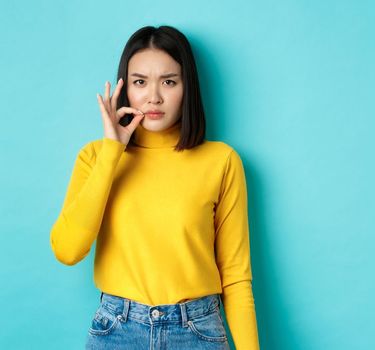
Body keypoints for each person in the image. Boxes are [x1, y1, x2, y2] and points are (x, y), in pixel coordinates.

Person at [49, 25, 260, 350]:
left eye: (169, 81)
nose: (154, 96)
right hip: (117, 329)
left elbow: (235, 276)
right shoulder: (95, 157)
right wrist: (111, 153)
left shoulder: (221, 161)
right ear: (125, 89)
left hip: (197, 331)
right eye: (140, 82)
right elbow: (67, 250)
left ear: (187, 87)